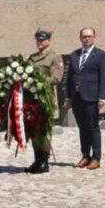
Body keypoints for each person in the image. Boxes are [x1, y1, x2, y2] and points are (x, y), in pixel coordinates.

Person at [64, 27, 105, 170]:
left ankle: (96, 158)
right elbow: (70, 77)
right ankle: (85, 156)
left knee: (93, 127)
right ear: (80, 38)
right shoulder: (74, 55)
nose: (87, 38)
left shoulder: (100, 55)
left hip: (92, 97)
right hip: (77, 97)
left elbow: (104, 77)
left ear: (94, 38)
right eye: (84, 36)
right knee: (82, 128)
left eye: (89, 36)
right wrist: (68, 97)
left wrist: (102, 97)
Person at [28, 29, 65, 174]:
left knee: (44, 131)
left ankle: (44, 161)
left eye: (42, 40)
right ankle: (37, 159)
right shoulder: (32, 58)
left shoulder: (55, 57)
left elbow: (56, 78)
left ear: (48, 41)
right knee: (33, 130)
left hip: (45, 99)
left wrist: (38, 82)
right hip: (31, 100)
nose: (40, 43)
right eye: (38, 40)